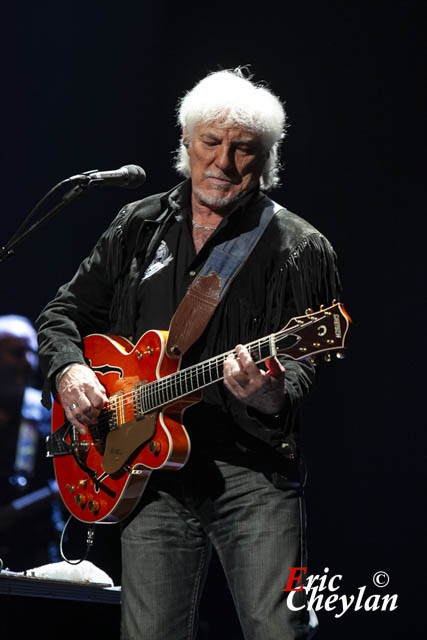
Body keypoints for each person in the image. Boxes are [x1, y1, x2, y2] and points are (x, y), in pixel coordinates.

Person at [36, 68, 341, 639]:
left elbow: (310, 365)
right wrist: (70, 370)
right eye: (210, 142)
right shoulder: (138, 223)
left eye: (243, 149)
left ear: (265, 158)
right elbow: (64, 313)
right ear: (185, 140)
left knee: (278, 630)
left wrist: (273, 392)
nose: (223, 162)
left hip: (253, 475)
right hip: (149, 472)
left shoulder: (299, 247)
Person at [0, 314, 62, 570]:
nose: (27, 362)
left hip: (35, 550)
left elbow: (74, 477)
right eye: (16, 352)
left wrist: (18, 510)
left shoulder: (50, 412)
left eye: (31, 353)